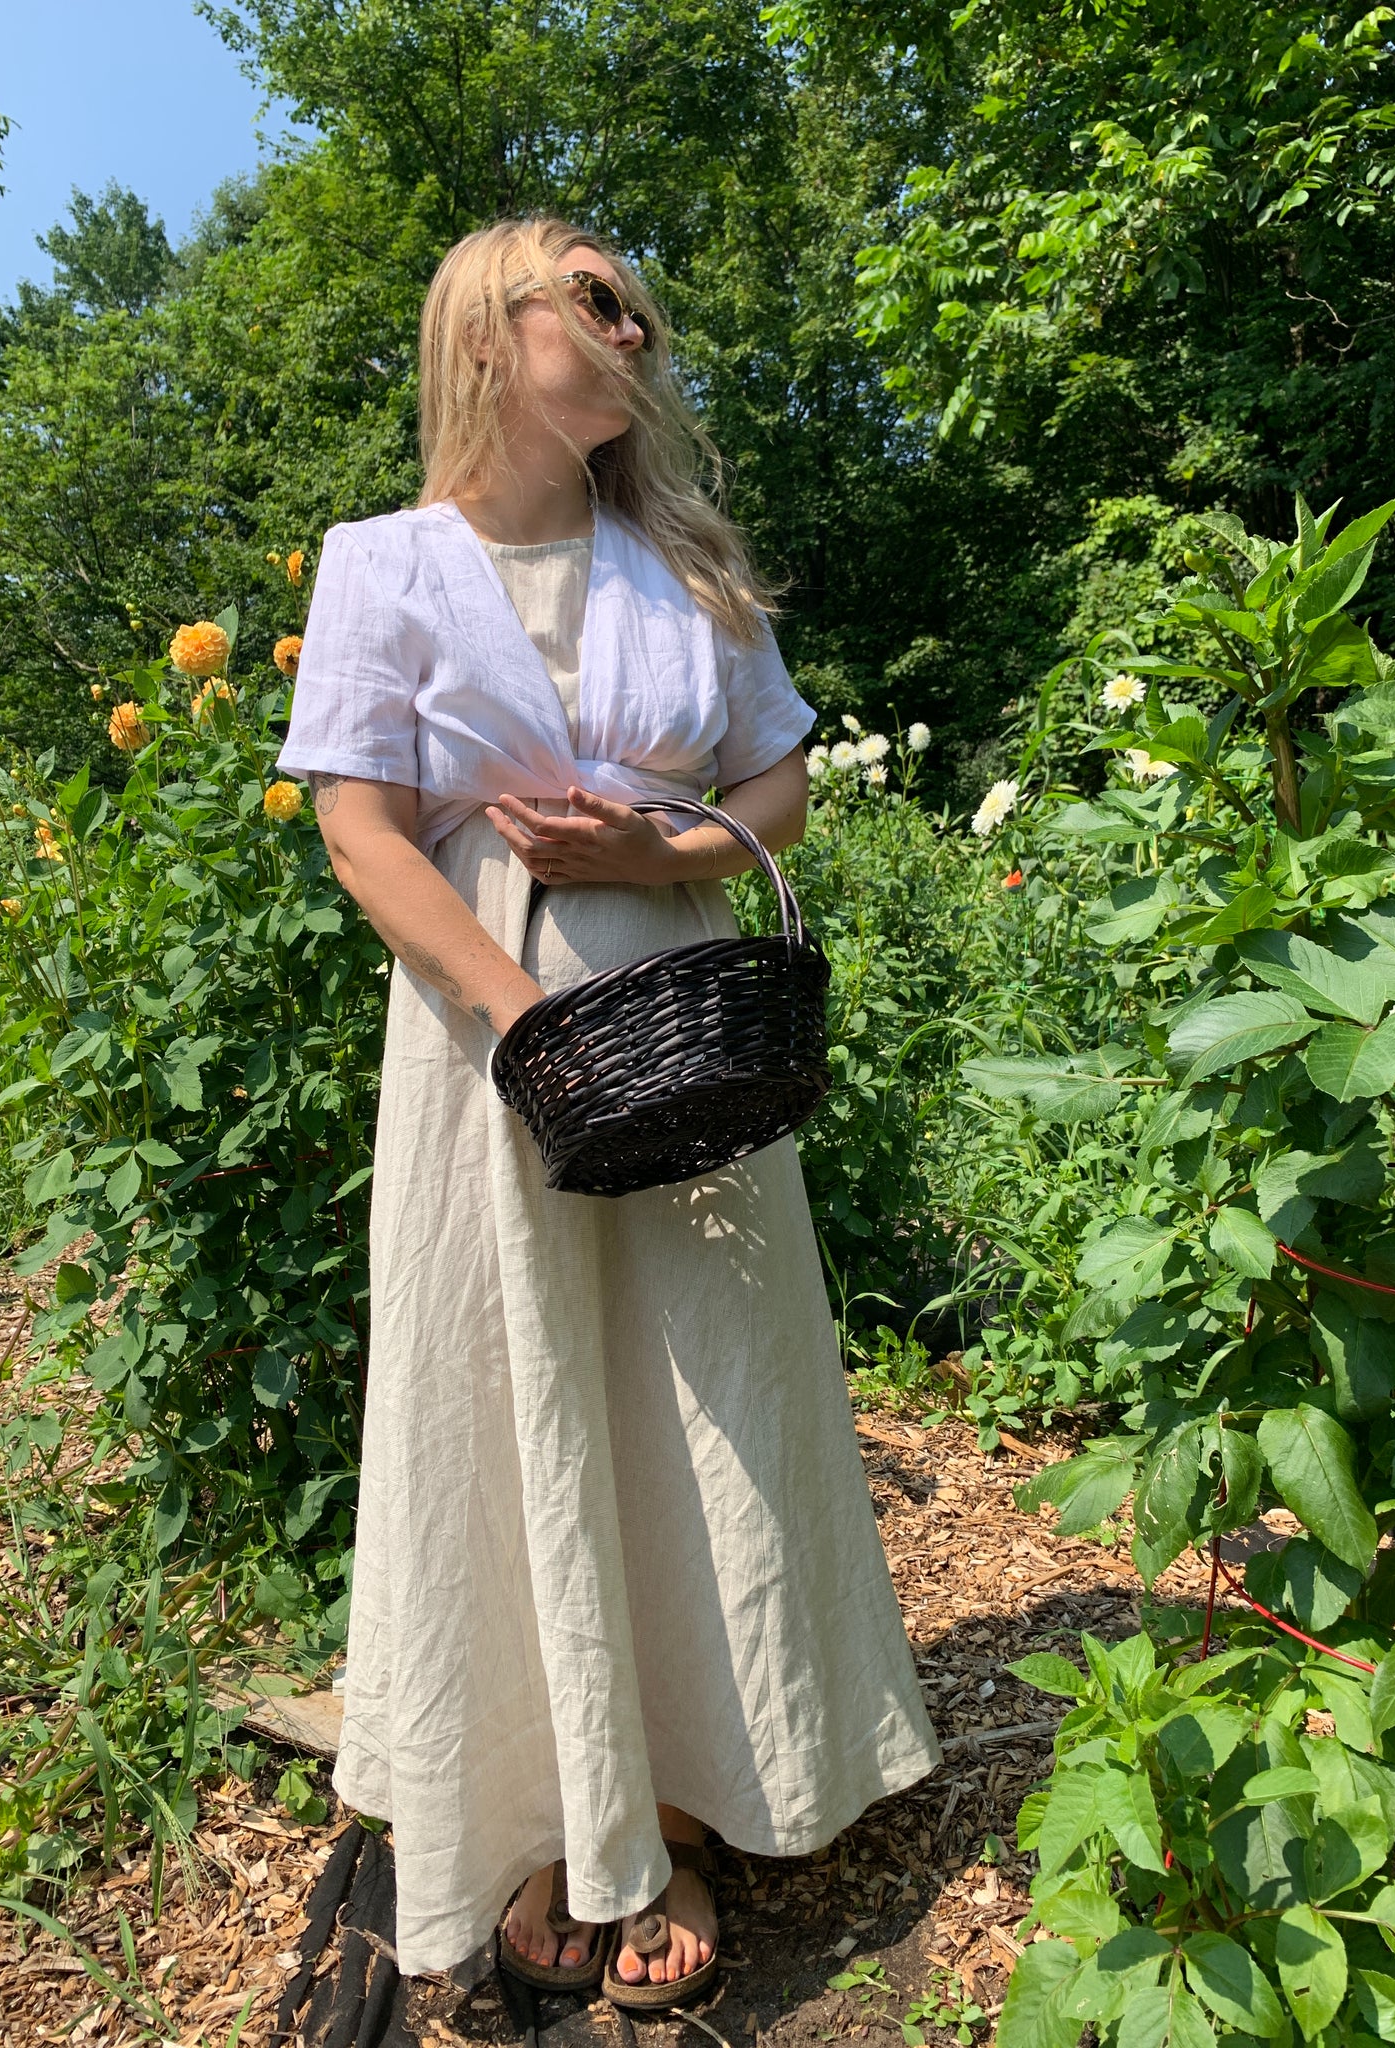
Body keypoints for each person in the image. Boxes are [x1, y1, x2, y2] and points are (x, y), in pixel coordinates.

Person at [274, 214, 938, 2007]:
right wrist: (521, 1027)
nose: (633, 319)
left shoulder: (680, 567)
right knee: (518, 1395)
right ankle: (560, 1810)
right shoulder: (384, 565)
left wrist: (667, 843)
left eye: (638, 297)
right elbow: (359, 829)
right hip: (494, 1035)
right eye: (593, 289)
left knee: (697, 1392)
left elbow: (779, 778)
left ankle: (694, 1799)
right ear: (488, 333)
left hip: (691, 1031)